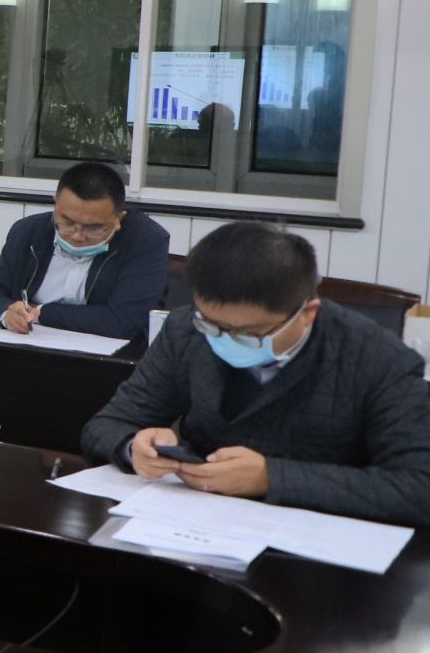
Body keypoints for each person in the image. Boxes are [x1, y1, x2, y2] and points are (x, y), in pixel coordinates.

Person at [81, 222, 430, 528]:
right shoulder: (186, 330)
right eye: (211, 324)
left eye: (248, 333)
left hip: (318, 546)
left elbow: (419, 486)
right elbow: (106, 425)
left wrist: (270, 477)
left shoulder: (378, 359)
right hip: (194, 523)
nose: (224, 339)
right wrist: (134, 447)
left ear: (307, 313)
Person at [0, 161, 169, 341]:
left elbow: (124, 321)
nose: (77, 235)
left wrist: (42, 312)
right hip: (26, 348)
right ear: (55, 205)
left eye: (93, 228)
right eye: (67, 222)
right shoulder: (29, 231)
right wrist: (7, 314)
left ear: (119, 219)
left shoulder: (145, 241)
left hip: (106, 360)